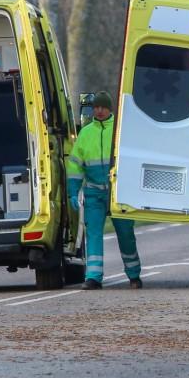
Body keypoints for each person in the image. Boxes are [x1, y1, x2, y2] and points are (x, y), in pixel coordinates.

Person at [67, 91, 142, 290]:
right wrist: (73, 192)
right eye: (96, 107)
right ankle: (93, 277)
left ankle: (134, 275)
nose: (99, 111)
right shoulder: (86, 132)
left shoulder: (120, 130)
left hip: (118, 193)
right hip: (93, 193)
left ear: (110, 108)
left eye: (103, 107)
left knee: (126, 234)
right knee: (93, 234)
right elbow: (75, 165)